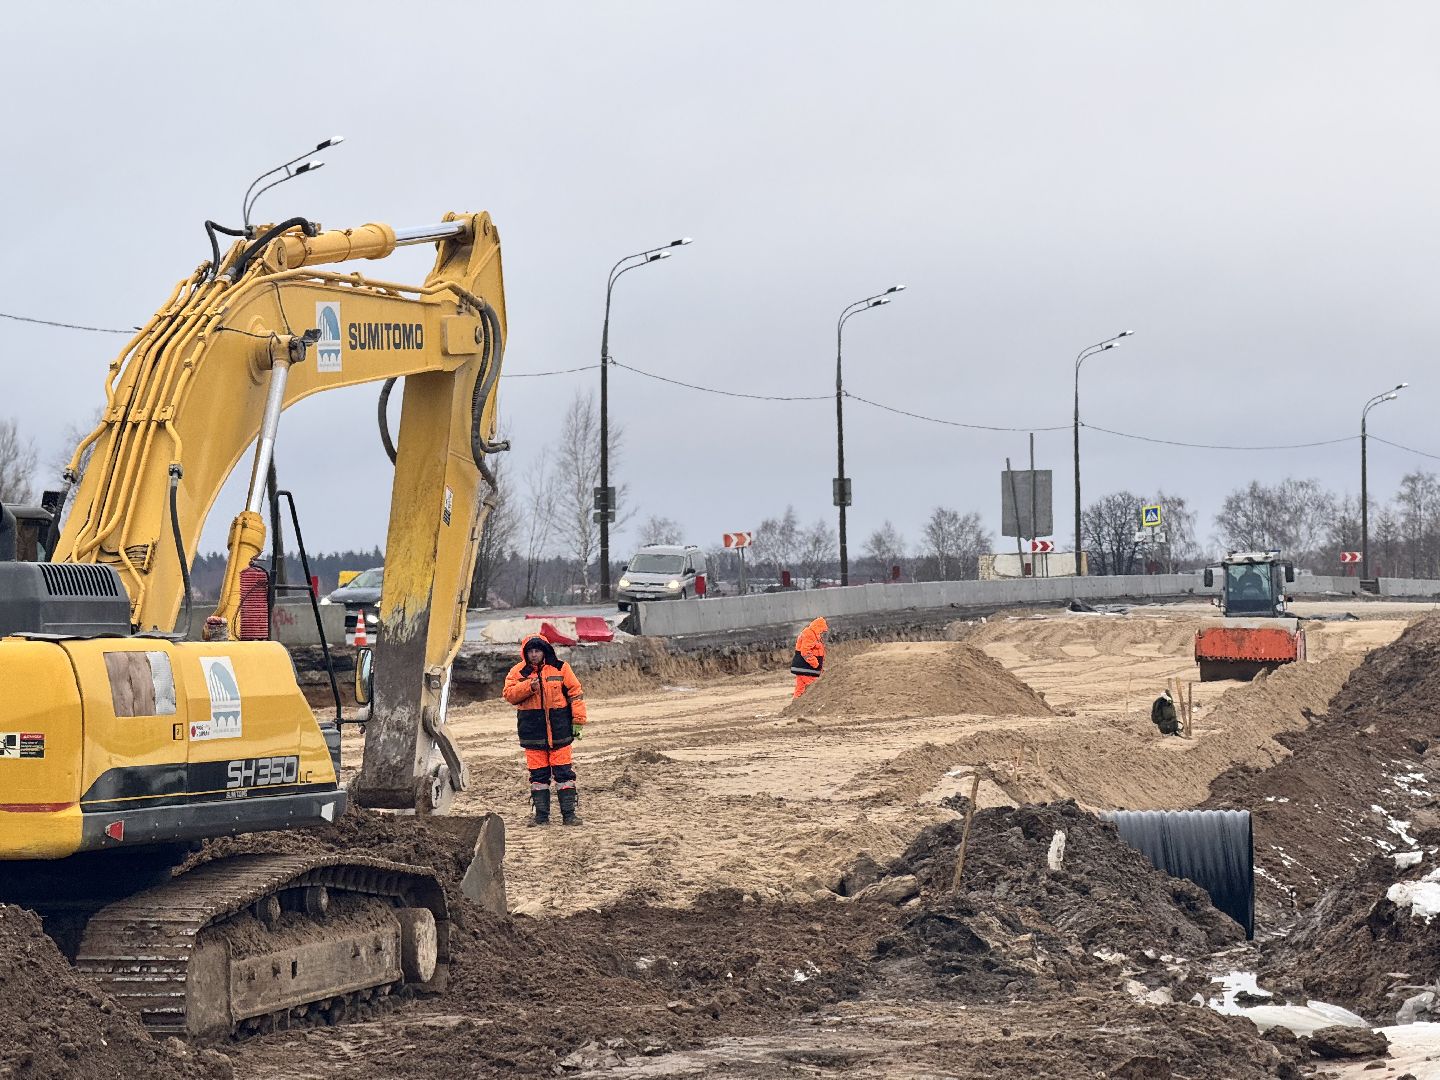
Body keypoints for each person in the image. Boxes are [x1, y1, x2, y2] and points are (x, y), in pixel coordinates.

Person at [503, 635, 588, 826]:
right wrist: (528, 687)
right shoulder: (517, 672)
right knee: (538, 776)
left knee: (564, 774)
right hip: (532, 732)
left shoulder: (561, 667)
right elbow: (509, 695)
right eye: (530, 652)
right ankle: (541, 817)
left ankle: (569, 816)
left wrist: (578, 721)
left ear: (544, 651)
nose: (534, 655)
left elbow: (575, 693)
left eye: (537, 651)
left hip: (560, 731)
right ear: (525, 653)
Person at [791, 616, 829, 698]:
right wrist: (816, 665)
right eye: (822, 631)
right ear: (818, 627)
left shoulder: (812, 634)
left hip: (801, 667)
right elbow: (806, 652)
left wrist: (820, 668)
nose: (822, 633)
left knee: (800, 690)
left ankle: (795, 707)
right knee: (814, 688)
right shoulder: (810, 634)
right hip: (807, 668)